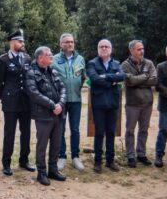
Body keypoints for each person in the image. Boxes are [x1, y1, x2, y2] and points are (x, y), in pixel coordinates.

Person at [0, 29, 34, 176]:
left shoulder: (27, 58)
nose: (21, 43)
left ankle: (24, 160)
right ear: (11, 42)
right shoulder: (3, 60)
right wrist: (5, 96)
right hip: (10, 102)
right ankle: (6, 163)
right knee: (9, 133)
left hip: (25, 102)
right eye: (19, 41)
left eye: (22, 41)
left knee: (26, 132)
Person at [26, 46, 67, 186]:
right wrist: (52, 105)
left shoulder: (53, 71)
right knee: (42, 145)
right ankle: (41, 173)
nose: (52, 57)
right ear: (40, 58)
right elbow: (33, 93)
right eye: (49, 55)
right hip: (43, 115)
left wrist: (60, 104)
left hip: (58, 114)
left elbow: (63, 88)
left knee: (56, 144)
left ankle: (53, 170)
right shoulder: (31, 72)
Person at [86, 39, 124, 172]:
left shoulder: (117, 63)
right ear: (98, 49)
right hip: (99, 104)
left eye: (106, 46)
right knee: (99, 133)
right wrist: (111, 80)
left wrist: (105, 76)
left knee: (111, 132)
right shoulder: (92, 63)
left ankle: (110, 161)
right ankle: (97, 162)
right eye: (101, 46)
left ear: (111, 49)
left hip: (113, 104)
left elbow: (121, 76)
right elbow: (94, 78)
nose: (103, 48)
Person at [52, 33, 86, 171]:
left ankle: (75, 157)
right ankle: (61, 156)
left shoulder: (80, 59)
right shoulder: (54, 59)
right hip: (61, 101)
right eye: (66, 42)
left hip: (76, 100)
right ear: (61, 44)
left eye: (72, 42)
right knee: (60, 129)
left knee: (75, 129)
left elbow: (83, 78)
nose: (70, 44)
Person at [121, 40, 157, 167]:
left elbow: (154, 80)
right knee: (130, 130)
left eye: (142, 48)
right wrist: (145, 76)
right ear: (131, 50)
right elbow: (129, 81)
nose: (142, 51)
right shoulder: (125, 65)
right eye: (138, 49)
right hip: (132, 103)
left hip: (147, 103)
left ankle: (141, 153)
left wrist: (137, 80)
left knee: (144, 130)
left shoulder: (149, 63)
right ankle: (130, 155)